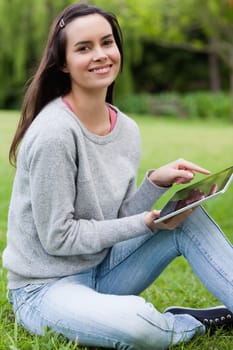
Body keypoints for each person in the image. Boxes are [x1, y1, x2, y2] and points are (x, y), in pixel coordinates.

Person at [3, 2, 233, 349]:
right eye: (84, 48)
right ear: (63, 63)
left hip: (102, 270)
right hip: (45, 289)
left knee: (187, 217)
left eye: (107, 42)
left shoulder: (126, 129)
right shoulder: (54, 133)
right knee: (138, 326)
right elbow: (59, 238)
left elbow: (113, 221)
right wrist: (147, 222)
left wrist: (154, 185)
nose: (101, 55)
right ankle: (186, 324)